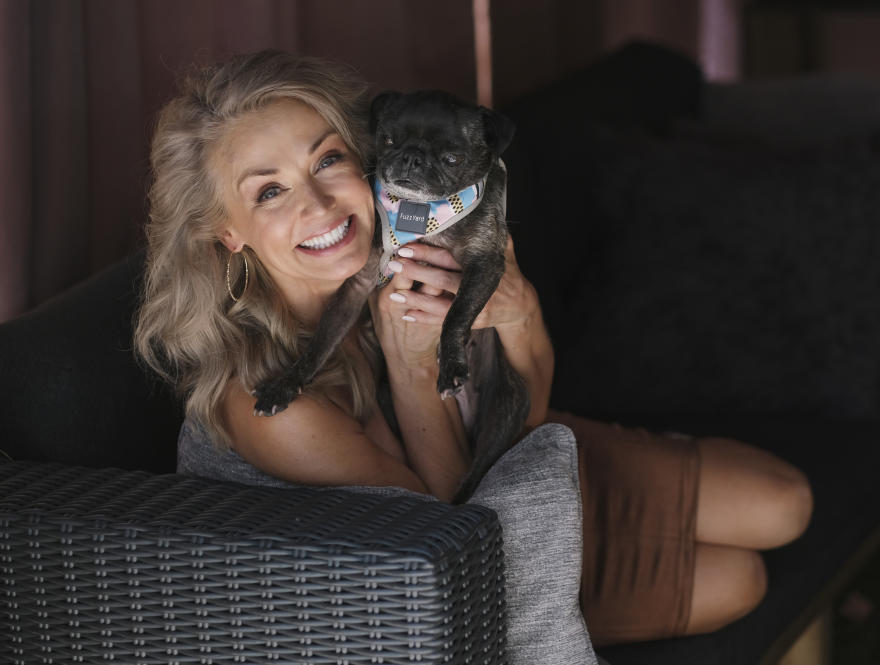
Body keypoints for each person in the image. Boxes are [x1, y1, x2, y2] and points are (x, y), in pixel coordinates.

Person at [134, 50, 812, 645]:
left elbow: (531, 410)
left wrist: (520, 309)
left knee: (786, 502)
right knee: (740, 580)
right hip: (484, 557)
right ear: (226, 232)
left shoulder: (416, 249)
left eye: (329, 158)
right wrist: (412, 362)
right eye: (271, 190)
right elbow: (450, 540)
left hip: (521, 462)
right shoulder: (267, 403)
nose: (318, 202)